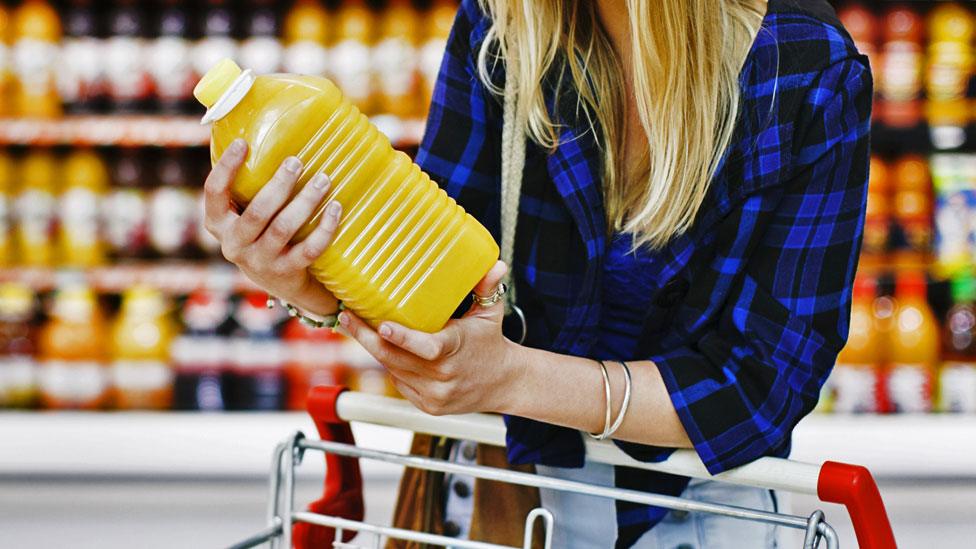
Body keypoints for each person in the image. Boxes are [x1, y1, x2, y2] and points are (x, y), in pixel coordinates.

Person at [202, 0, 871, 546]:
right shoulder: (504, 24)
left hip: (701, 510)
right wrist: (304, 281)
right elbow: (434, 285)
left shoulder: (805, 73)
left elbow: (762, 384)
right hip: (506, 497)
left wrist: (515, 375)